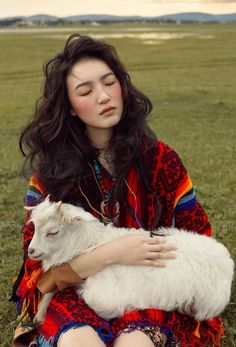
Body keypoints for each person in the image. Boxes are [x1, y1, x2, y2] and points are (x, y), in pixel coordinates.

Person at [12, 33, 223, 347]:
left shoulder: (161, 159)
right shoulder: (50, 174)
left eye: (109, 82)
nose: (104, 96)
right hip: (75, 291)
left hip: (149, 289)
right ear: (69, 107)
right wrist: (110, 253)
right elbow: (38, 271)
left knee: (135, 343)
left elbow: (197, 232)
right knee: (78, 342)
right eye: (86, 90)